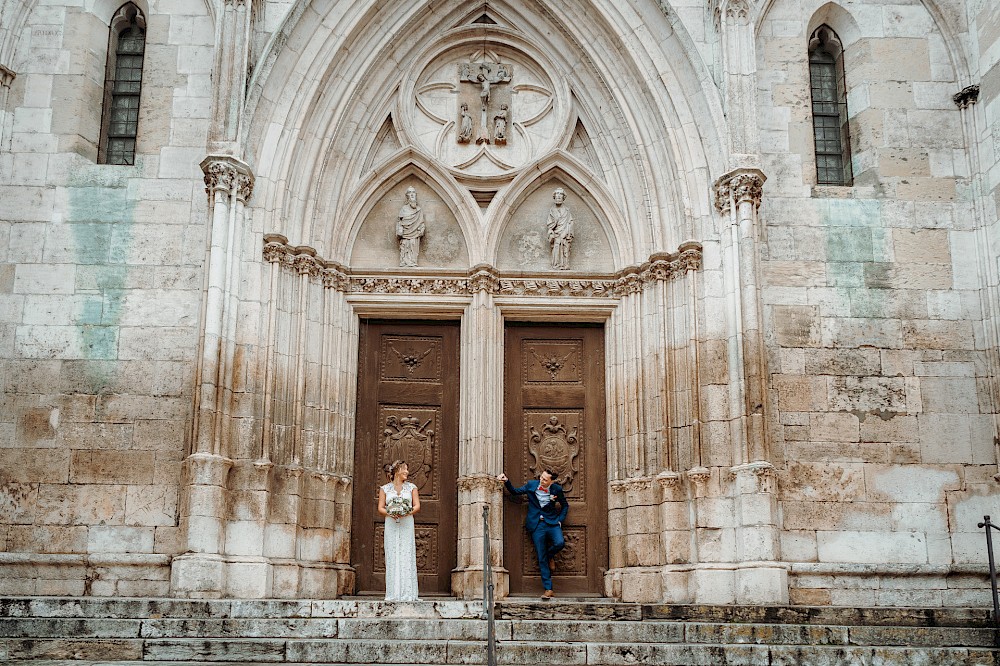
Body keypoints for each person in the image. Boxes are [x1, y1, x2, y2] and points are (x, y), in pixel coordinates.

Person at [497, 469, 569, 599]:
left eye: (545, 479)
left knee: (560, 543)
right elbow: (515, 491)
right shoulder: (531, 485)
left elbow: (565, 506)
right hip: (537, 525)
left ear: (551, 481)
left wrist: (560, 520)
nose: (541, 480)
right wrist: (506, 481)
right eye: (541, 477)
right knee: (541, 556)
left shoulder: (557, 490)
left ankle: (550, 555)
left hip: (552, 523)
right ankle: (548, 589)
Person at [378, 459, 421, 601]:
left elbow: (417, 506)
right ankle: (393, 593)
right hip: (391, 523)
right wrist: (390, 513)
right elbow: (381, 507)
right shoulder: (385, 489)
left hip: (406, 522)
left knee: (406, 553)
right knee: (393, 554)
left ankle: (408, 593)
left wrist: (406, 512)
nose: (407, 472)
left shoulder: (412, 488)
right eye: (404, 469)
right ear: (397, 471)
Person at [545, 188, 574, 270]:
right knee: (556, 248)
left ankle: (565, 264)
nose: (558, 195)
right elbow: (550, 223)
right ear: (554, 196)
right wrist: (551, 230)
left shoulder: (567, 210)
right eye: (557, 193)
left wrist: (567, 232)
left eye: (560, 194)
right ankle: (556, 264)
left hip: (565, 234)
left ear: (563, 197)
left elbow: (570, 222)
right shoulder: (552, 210)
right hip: (557, 234)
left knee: (565, 248)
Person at [396, 186, 425, 267]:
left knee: (413, 245)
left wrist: (421, 229)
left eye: (413, 193)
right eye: (410, 193)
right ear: (407, 196)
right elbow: (399, 221)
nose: (412, 195)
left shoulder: (419, 210)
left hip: (415, 234)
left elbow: (421, 222)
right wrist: (400, 229)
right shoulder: (404, 209)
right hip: (405, 233)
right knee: (405, 246)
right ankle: (404, 261)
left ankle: (412, 261)